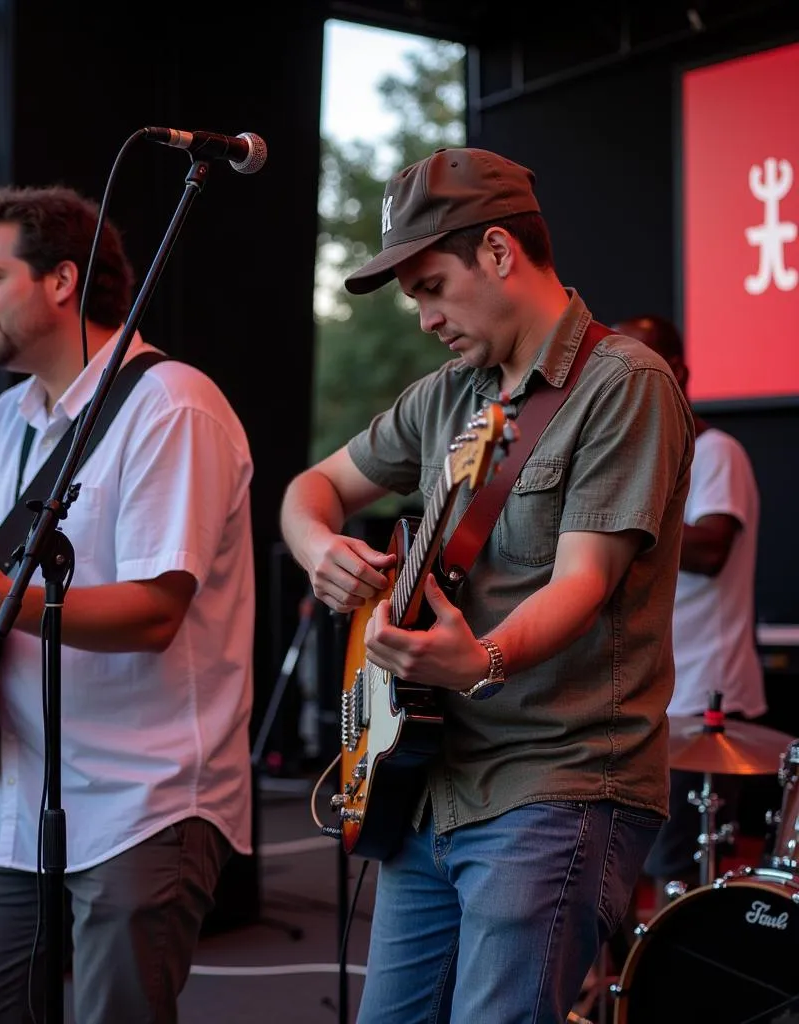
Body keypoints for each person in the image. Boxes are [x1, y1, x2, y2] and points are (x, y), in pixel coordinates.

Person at [278, 147, 694, 1024]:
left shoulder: (626, 384)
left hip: (557, 784)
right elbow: (309, 489)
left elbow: (584, 580)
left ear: (499, 252)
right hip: (427, 780)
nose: (424, 317)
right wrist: (318, 546)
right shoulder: (446, 397)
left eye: (430, 286)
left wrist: (483, 656)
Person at [0, 185, 255, 1024]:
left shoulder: (173, 405)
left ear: (59, 281)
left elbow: (158, 614)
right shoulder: (7, 419)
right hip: (18, 796)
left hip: (145, 799)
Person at [614, 313, 765, 902]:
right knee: (624, 870)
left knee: (679, 877)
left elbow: (711, 548)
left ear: (677, 372)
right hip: (649, 700)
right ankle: (615, 992)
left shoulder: (716, 451)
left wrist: (621, 521)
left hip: (704, 697)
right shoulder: (639, 459)